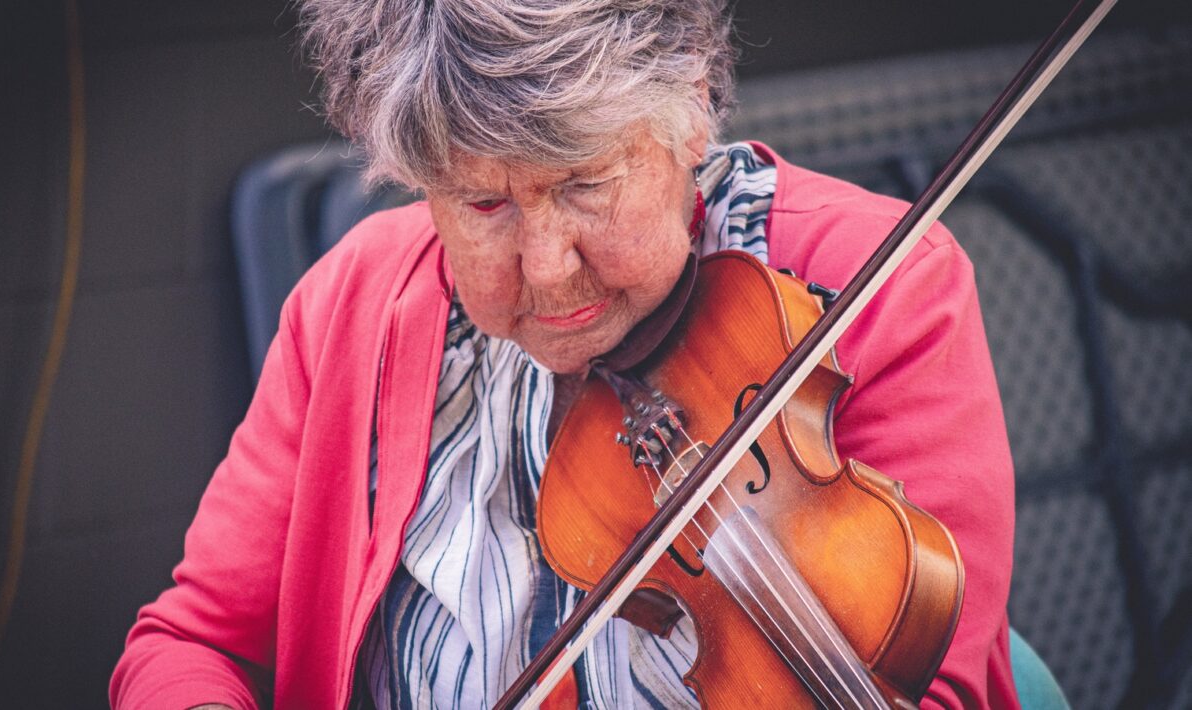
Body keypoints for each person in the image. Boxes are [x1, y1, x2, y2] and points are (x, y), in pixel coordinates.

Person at [111, 0, 1018, 707]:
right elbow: (194, 645)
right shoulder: (350, 305)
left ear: (691, 113)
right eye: (483, 205)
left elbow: (941, 686)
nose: (547, 272)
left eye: (585, 183)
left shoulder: (871, 290)